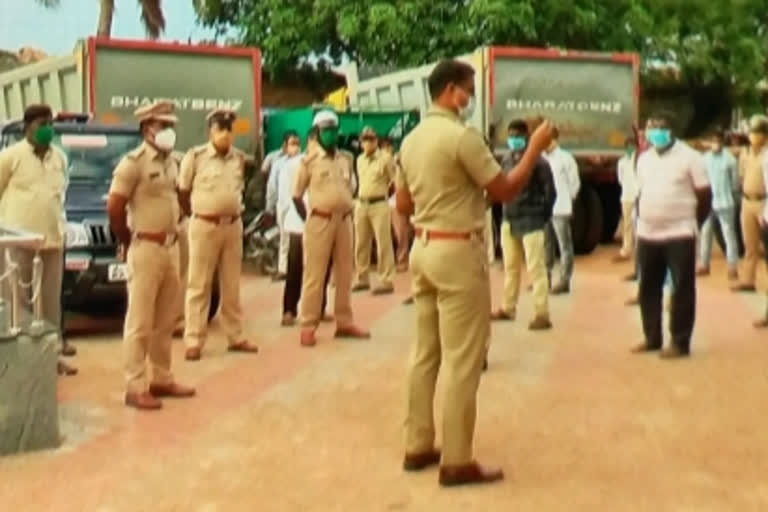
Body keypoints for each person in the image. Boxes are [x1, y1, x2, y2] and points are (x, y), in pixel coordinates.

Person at [397, 59, 553, 487]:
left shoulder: (411, 140)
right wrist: (535, 147)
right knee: (464, 358)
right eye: (467, 89)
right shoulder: (461, 137)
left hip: (423, 247)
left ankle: (417, 443)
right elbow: (503, 188)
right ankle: (457, 459)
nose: (470, 98)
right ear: (451, 90)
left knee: (424, 353)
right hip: (456, 252)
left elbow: (403, 204)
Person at [106, 100, 195, 410]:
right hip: (145, 246)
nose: (169, 131)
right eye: (163, 125)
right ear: (147, 129)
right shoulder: (133, 163)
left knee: (165, 320)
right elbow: (114, 207)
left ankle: (161, 377)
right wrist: (128, 240)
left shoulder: (172, 162)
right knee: (140, 321)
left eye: (171, 125)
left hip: (170, 247)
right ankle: (134, 385)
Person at [0, 104, 77, 376]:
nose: (47, 129)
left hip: (51, 242)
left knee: (49, 304)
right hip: (18, 244)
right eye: (41, 124)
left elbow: (60, 196)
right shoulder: (10, 157)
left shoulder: (59, 158)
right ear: (27, 127)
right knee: (17, 303)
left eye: (50, 123)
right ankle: (20, 361)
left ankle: (50, 358)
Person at [177, 109, 259, 361]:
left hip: (232, 226)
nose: (225, 133)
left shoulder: (238, 159)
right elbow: (182, 191)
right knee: (198, 284)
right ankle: (193, 339)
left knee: (232, 284)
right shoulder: (196, 157)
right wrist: (197, 214)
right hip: (204, 225)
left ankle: (235, 336)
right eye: (219, 128)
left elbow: (239, 189)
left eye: (228, 128)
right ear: (210, 131)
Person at [632, 112, 711, 359]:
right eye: (651, 128)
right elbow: (639, 192)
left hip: (680, 233)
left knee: (681, 288)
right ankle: (652, 337)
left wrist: (691, 222)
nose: (656, 133)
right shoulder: (643, 159)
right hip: (648, 233)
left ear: (671, 131)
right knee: (648, 286)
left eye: (661, 128)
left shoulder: (690, 157)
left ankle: (679, 341)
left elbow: (705, 196)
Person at [292, 110, 370, 347]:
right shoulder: (308, 161)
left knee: (346, 273)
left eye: (334, 130)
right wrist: (311, 218)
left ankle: (344, 321)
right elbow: (296, 195)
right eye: (326, 130)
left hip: (344, 220)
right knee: (314, 275)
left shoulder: (346, 158)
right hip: (320, 220)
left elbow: (352, 187)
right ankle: (308, 324)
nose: (331, 134)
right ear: (317, 133)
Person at [490, 119, 556, 330]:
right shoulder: (506, 160)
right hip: (509, 220)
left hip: (532, 220)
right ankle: (508, 308)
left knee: (537, 269)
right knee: (511, 268)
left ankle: (541, 313)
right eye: (511, 136)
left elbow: (550, 193)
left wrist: (541, 216)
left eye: (518, 136)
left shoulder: (540, 163)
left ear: (527, 137)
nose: (514, 139)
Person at [281, 129, 332, 326]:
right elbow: (288, 195)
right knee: (295, 269)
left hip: (321, 223)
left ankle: (319, 307)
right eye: (314, 141)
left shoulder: (329, 163)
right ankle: (289, 310)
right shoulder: (293, 165)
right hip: (297, 223)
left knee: (321, 269)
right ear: (309, 141)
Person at [352, 126, 397, 295]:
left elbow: (394, 181)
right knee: (361, 243)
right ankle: (362, 277)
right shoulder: (359, 160)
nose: (368, 142)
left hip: (379, 204)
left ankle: (386, 280)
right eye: (365, 139)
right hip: (362, 203)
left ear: (376, 141)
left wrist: (385, 196)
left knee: (383, 243)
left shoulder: (385, 158)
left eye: (371, 139)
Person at [697, 131, 740, 279]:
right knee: (705, 233)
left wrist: (734, 198)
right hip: (708, 202)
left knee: (729, 234)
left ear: (722, 142)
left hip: (725, 201)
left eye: (718, 141)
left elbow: (735, 183)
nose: (716, 144)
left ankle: (732, 266)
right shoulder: (704, 159)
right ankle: (704, 264)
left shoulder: (730, 160)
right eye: (713, 141)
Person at [733, 115, 768, 292]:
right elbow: (740, 177)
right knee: (749, 245)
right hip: (747, 200)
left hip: (764, 202)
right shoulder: (745, 153)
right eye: (752, 132)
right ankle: (748, 280)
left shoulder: (766, 155)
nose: (753, 136)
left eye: (757, 132)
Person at [544, 127, 580, 294]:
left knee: (564, 245)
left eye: (548, 139)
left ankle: (565, 280)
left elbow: (574, 183)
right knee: (546, 245)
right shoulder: (541, 159)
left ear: (555, 139)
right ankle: (545, 278)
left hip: (561, 207)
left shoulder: (566, 158)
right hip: (544, 208)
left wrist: (569, 201)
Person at [266, 131, 301, 280]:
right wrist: (270, 207)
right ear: (285, 146)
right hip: (283, 206)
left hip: (299, 205)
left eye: (297, 143)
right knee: (284, 239)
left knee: (300, 239)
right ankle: (283, 269)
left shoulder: (303, 161)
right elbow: (272, 186)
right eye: (292, 143)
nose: (296, 147)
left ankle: (299, 269)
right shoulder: (278, 164)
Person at [615, 136, 638, 262]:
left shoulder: (639, 160)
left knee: (638, 223)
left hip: (637, 195)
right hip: (626, 196)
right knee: (627, 223)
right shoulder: (622, 162)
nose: (630, 149)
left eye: (632, 146)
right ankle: (626, 250)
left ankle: (640, 248)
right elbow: (620, 179)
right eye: (628, 147)